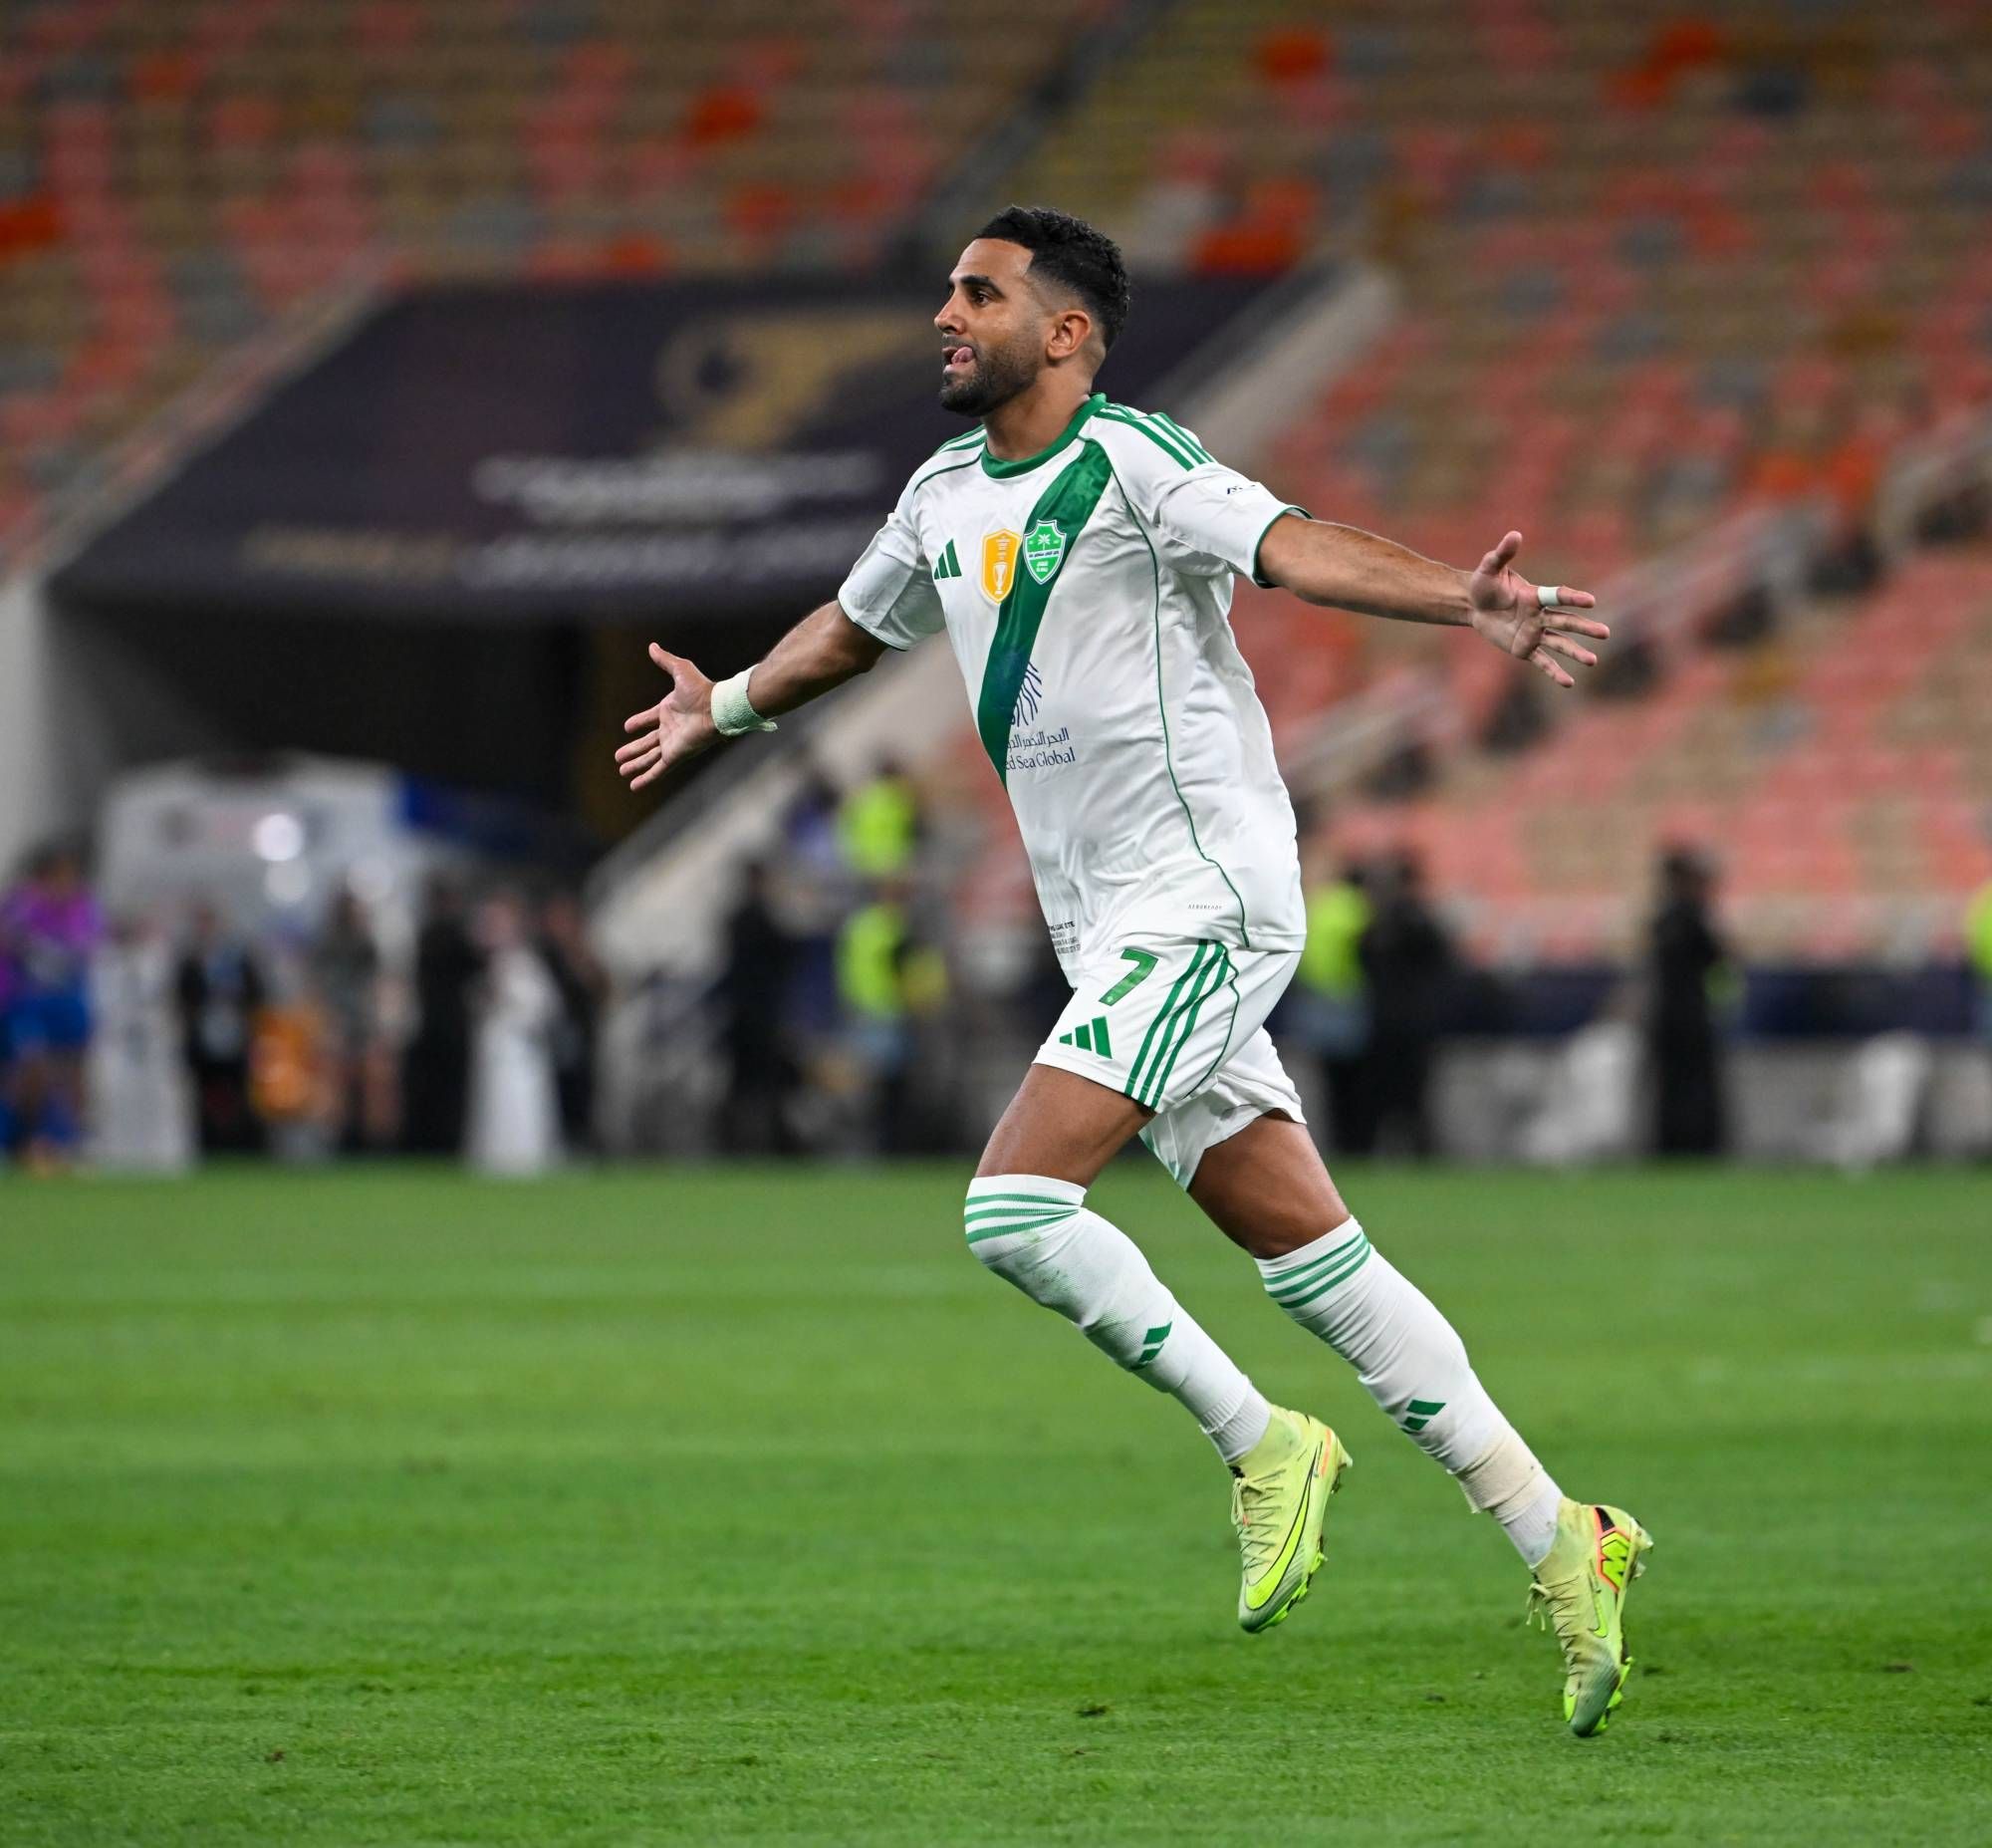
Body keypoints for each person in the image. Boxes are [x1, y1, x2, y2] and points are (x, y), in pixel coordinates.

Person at [614, 206, 1641, 1735]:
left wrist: (1464, 599)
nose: (946, 314)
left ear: (1066, 331)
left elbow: (1291, 543)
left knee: (1013, 1207)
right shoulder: (943, 491)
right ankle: (1564, 1533)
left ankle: (1265, 1441)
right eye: (949, 291)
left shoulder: (1136, 459)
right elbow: (856, 626)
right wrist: (733, 705)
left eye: (980, 293)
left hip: (1204, 898)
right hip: (1112, 930)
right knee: (1319, 1263)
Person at [0, 843, 103, 1171]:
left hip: (69, 1001)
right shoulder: (22, 904)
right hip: (28, 1001)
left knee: (74, 1072)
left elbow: (89, 946)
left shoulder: (83, 906)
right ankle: (25, 1139)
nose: (65, 883)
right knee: (32, 1071)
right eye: (59, 876)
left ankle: (71, 1143)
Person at [1363, 851, 1456, 1157]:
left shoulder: (1381, 923)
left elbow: (1364, 959)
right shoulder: (1418, 921)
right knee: (1413, 1091)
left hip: (1387, 1018)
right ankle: (1418, 1148)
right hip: (1414, 1020)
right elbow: (1443, 965)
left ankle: (1383, 1147)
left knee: (1388, 1090)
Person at [464, 891, 562, 1176]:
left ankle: (523, 1159)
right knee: (493, 1105)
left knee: (519, 1105)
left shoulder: (524, 963)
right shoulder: (493, 965)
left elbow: (544, 1007)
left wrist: (508, 1003)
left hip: (519, 1050)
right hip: (494, 1047)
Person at [1645, 847, 1730, 1157]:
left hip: (1669, 1016)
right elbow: (1718, 959)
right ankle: (1694, 1143)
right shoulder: (1690, 918)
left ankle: (1676, 1143)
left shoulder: (1664, 919)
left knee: (1674, 1087)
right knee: (1691, 1087)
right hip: (1689, 1018)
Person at [1293, 854, 1374, 1153]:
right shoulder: (1352, 904)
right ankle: (1352, 1142)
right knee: (1348, 1080)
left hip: (1326, 999)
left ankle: (1342, 1142)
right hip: (1345, 997)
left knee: (1331, 1081)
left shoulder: (1317, 905)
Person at [717, 860, 797, 1155]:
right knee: (763, 1083)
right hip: (760, 1017)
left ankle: (738, 1142)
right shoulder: (761, 920)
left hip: (739, 1015)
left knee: (742, 1084)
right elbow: (786, 957)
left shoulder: (734, 919)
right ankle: (763, 1143)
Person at [175, 901, 265, 1155]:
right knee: (205, 1093)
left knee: (239, 1091)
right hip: (203, 1037)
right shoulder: (191, 960)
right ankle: (209, 1143)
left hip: (236, 1034)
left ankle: (242, 1143)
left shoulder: (239, 958)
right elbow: (182, 998)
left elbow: (257, 994)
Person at [403, 877, 482, 1157]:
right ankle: (448, 1143)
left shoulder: (426, 936)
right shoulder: (456, 937)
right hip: (451, 1026)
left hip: (431, 1024)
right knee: (451, 1091)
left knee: (432, 1091)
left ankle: (431, 1142)